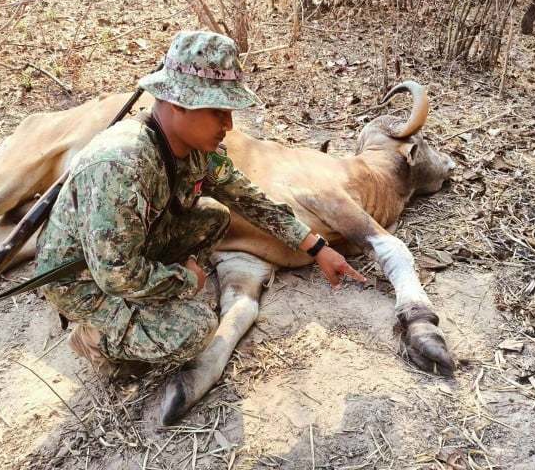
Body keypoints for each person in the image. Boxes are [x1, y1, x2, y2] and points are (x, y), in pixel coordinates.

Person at [35, 30, 365, 376]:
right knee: (196, 331)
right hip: (83, 280)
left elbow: (247, 198)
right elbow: (116, 276)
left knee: (214, 215)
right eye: (218, 111)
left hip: (126, 255)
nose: (229, 125)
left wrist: (316, 247)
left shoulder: (194, 149)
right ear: (179, 103)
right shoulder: (121, 165)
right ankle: (95, 338)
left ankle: (147, 302)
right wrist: (186, 280)